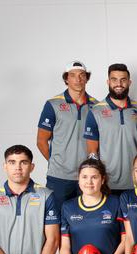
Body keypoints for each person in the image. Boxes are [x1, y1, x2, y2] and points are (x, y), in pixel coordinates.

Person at [36, 61, 97, 210]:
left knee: (84, 221)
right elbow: (41, 140)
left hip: (87, 176)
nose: (78, 79)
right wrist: (56, 163)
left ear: (87, 78)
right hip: (59, 178)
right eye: (73, 75)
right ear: (66, 79)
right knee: (56, 220)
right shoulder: (53, 104)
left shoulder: (97, 106)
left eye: (82, 75)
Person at [85, 63, 137, 196]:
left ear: (129, 82)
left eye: (123, 80)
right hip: (108, 183)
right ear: (108, 82)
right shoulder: (95, 111)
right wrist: (98, 178)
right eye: (114, 79)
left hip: (136, 182)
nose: (119, 84)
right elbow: (92, 150)